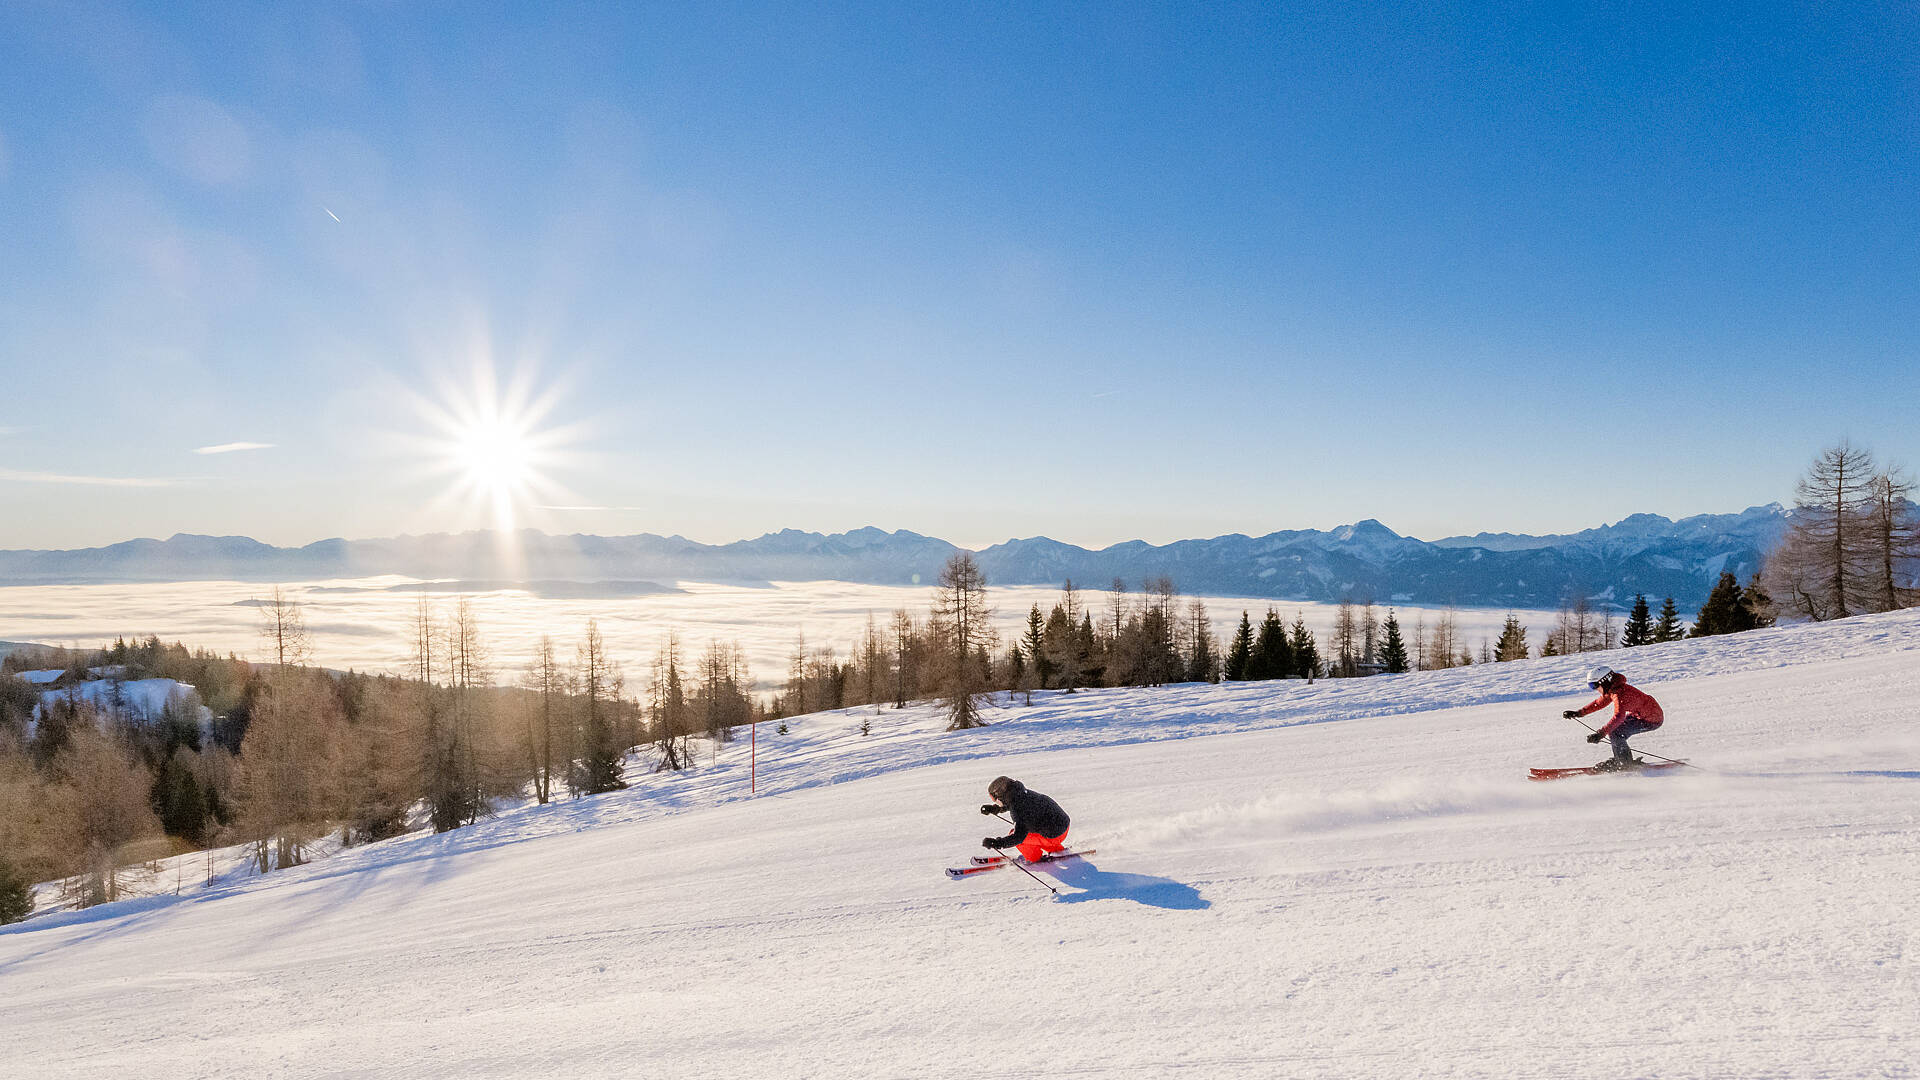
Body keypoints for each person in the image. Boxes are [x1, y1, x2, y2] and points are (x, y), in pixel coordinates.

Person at [1564, 665, 1664, 770]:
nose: (1595, 689)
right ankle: (1622, 760)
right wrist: (1578, 713)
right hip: (1640, 715)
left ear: (1604, 681)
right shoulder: (1614, 688)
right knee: (1615, 731)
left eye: (1594, 685)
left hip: (1652, 720)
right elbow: (1599, 703)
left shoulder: (1620, 694)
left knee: (1616, 733)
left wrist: (1601, 734)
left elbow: (1618, 717)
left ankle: (1624, 764)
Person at [979, 776, 1071, 862]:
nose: (996, 802)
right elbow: (1012, 804)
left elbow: (1018, 838)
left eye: (995, 800)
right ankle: (1057, 850)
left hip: (1055, 835)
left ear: (1001, 797)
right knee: (1029, 829)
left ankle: (1035, 858)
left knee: (1017, 837)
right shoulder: (1020, 793)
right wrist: (996, 809)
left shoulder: (1018, 810)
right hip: (1062, 826)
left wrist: (997, 843)